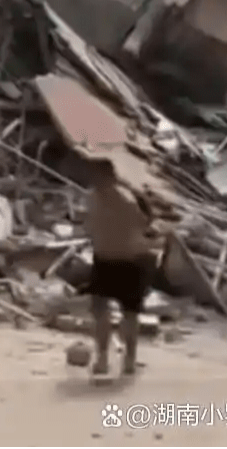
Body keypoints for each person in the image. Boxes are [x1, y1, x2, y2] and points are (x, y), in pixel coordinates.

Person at [85, 157, 157, 377]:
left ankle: (129, 359)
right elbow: (90, 224)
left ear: (110, 177)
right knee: (100, 310)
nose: (94, 180)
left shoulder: (127, 200)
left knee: (129, 313)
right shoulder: (93, 197)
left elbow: (145, 223)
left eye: (98, 176)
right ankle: (102, 357)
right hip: (104, 259)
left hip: (129, 261)